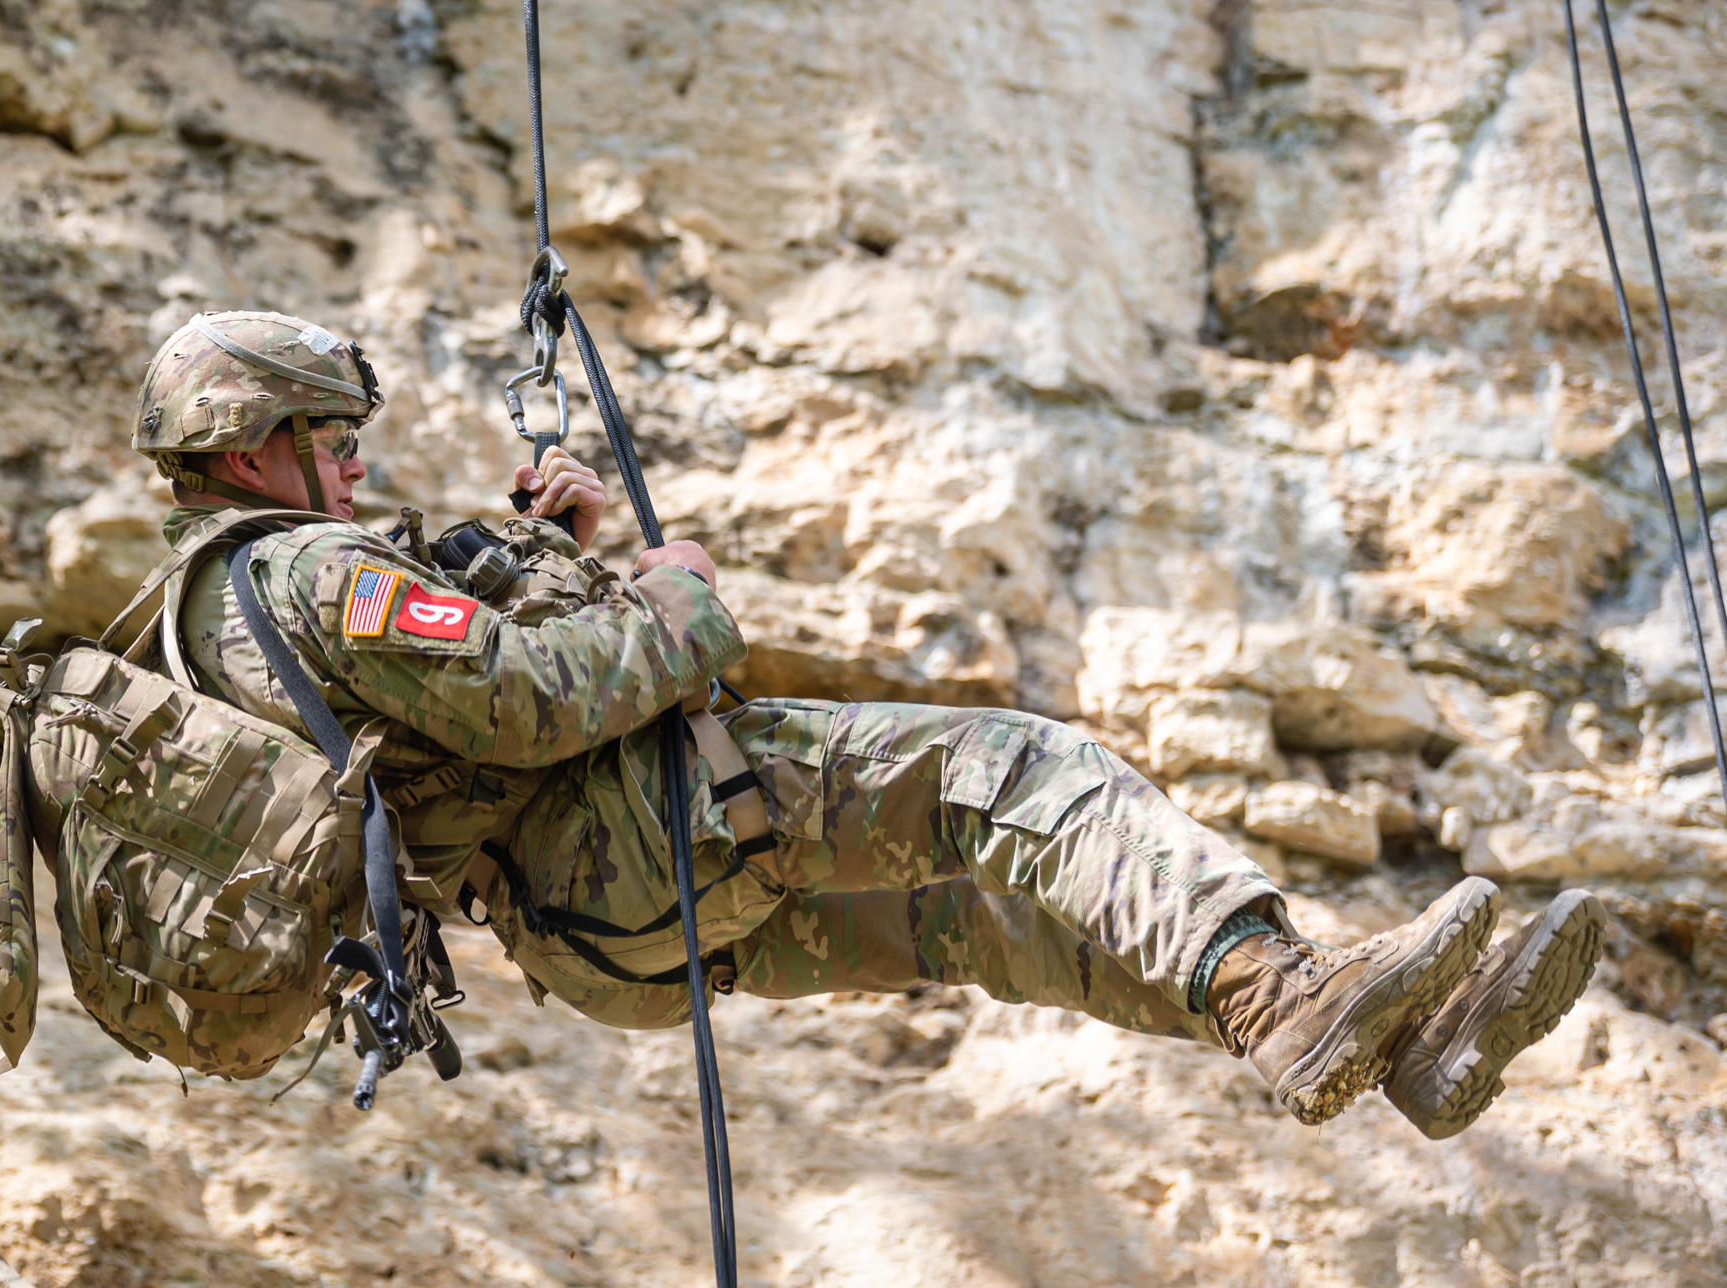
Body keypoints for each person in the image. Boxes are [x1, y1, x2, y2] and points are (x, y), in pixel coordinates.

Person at [133, 310, 1606, 1139]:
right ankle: (1287, 990)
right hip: (649, 837)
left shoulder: (212, 618)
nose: (352, 462)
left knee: (982, 920)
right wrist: (677, 596)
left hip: (594, 940)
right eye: (331, 441)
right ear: (252, 441)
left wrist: (575, 564)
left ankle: (1372, 1031)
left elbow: (467, 716)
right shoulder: (308, 571)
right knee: (1020, 775)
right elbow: (527, 704)